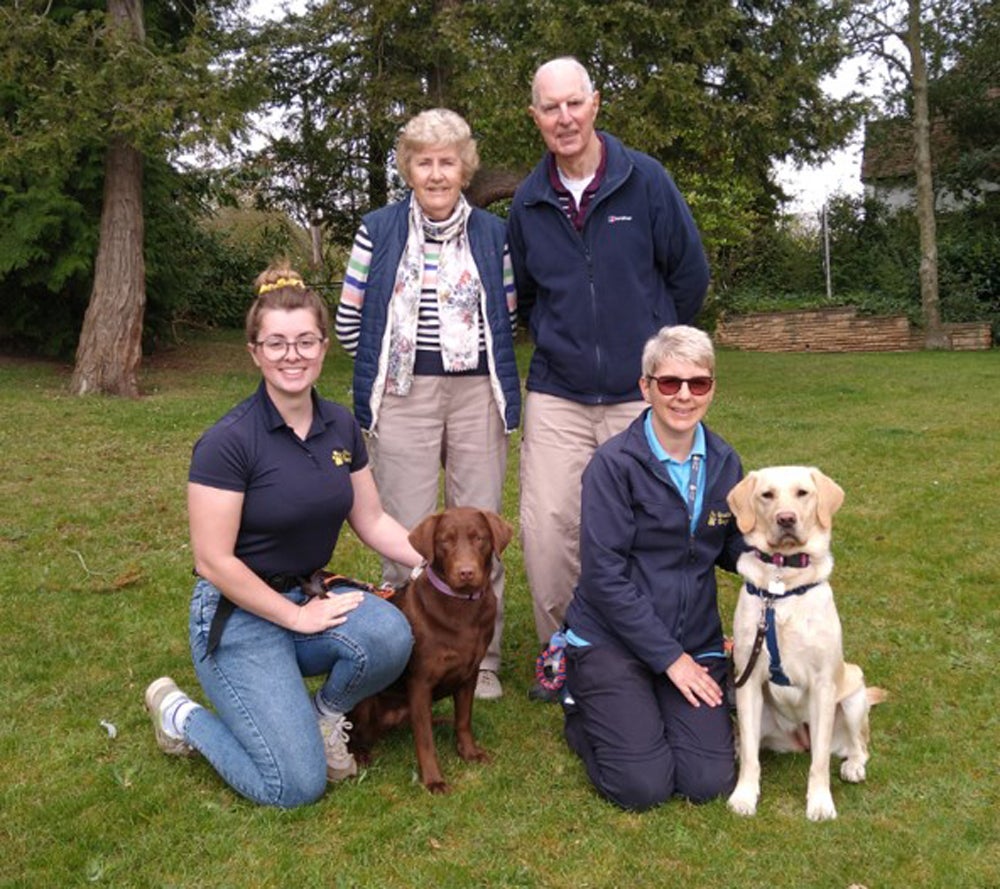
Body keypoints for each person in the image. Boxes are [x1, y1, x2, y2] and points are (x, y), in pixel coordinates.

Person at [144, 265, 422, 809]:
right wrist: (294, 617)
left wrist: (429, 561)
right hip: (239, 614)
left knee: (392, 636)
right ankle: (181, 715)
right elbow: (213, 560)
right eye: (276, 343)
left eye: (304, 341)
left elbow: (371, 520)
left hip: (308, 594)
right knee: (293, 786)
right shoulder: (228, 441)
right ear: (254, 351)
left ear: (323, 347)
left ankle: (322, 716)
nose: (291, 355)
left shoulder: (340, 425)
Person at [506, 57, 711, 700]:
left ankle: (652, 647)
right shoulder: (528, 202)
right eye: (550, 107)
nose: (564, 118)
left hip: (638, 395)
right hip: (558, 392)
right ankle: (564, 652)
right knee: (548, 528)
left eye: (574, 103)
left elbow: (689, 274)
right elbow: (529, 296)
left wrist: (655, 353)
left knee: (652, 526)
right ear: (535, 117)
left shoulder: (644, 180)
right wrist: (564, 344)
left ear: (595, 104)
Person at [335, 109, 520, 701]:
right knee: (407, 528)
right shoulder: (378, 228)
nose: (436, 173)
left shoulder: (494, 234)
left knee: (478, 524)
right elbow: (348, 319)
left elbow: (507, 314)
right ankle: (406, 650)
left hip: (475, 394)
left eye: (447, 162)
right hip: (402, 391)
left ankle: (480, 659)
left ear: (464, 169)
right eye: (424, 161)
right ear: (408, 168)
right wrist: (393, 364)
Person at [561, 325, 744, 811]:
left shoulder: (726, 463)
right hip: (611, 641)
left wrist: (781, 558)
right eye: (669, 383)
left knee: (707, 781)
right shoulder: (613, 464)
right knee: (643, 786)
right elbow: (604, 578)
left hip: (694, 640)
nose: (684, 395)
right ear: (646, 387)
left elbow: (731, 547)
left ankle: (648, 711)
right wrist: (670, 660)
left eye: (698, 383)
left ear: (711, 389)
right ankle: (581, 710)